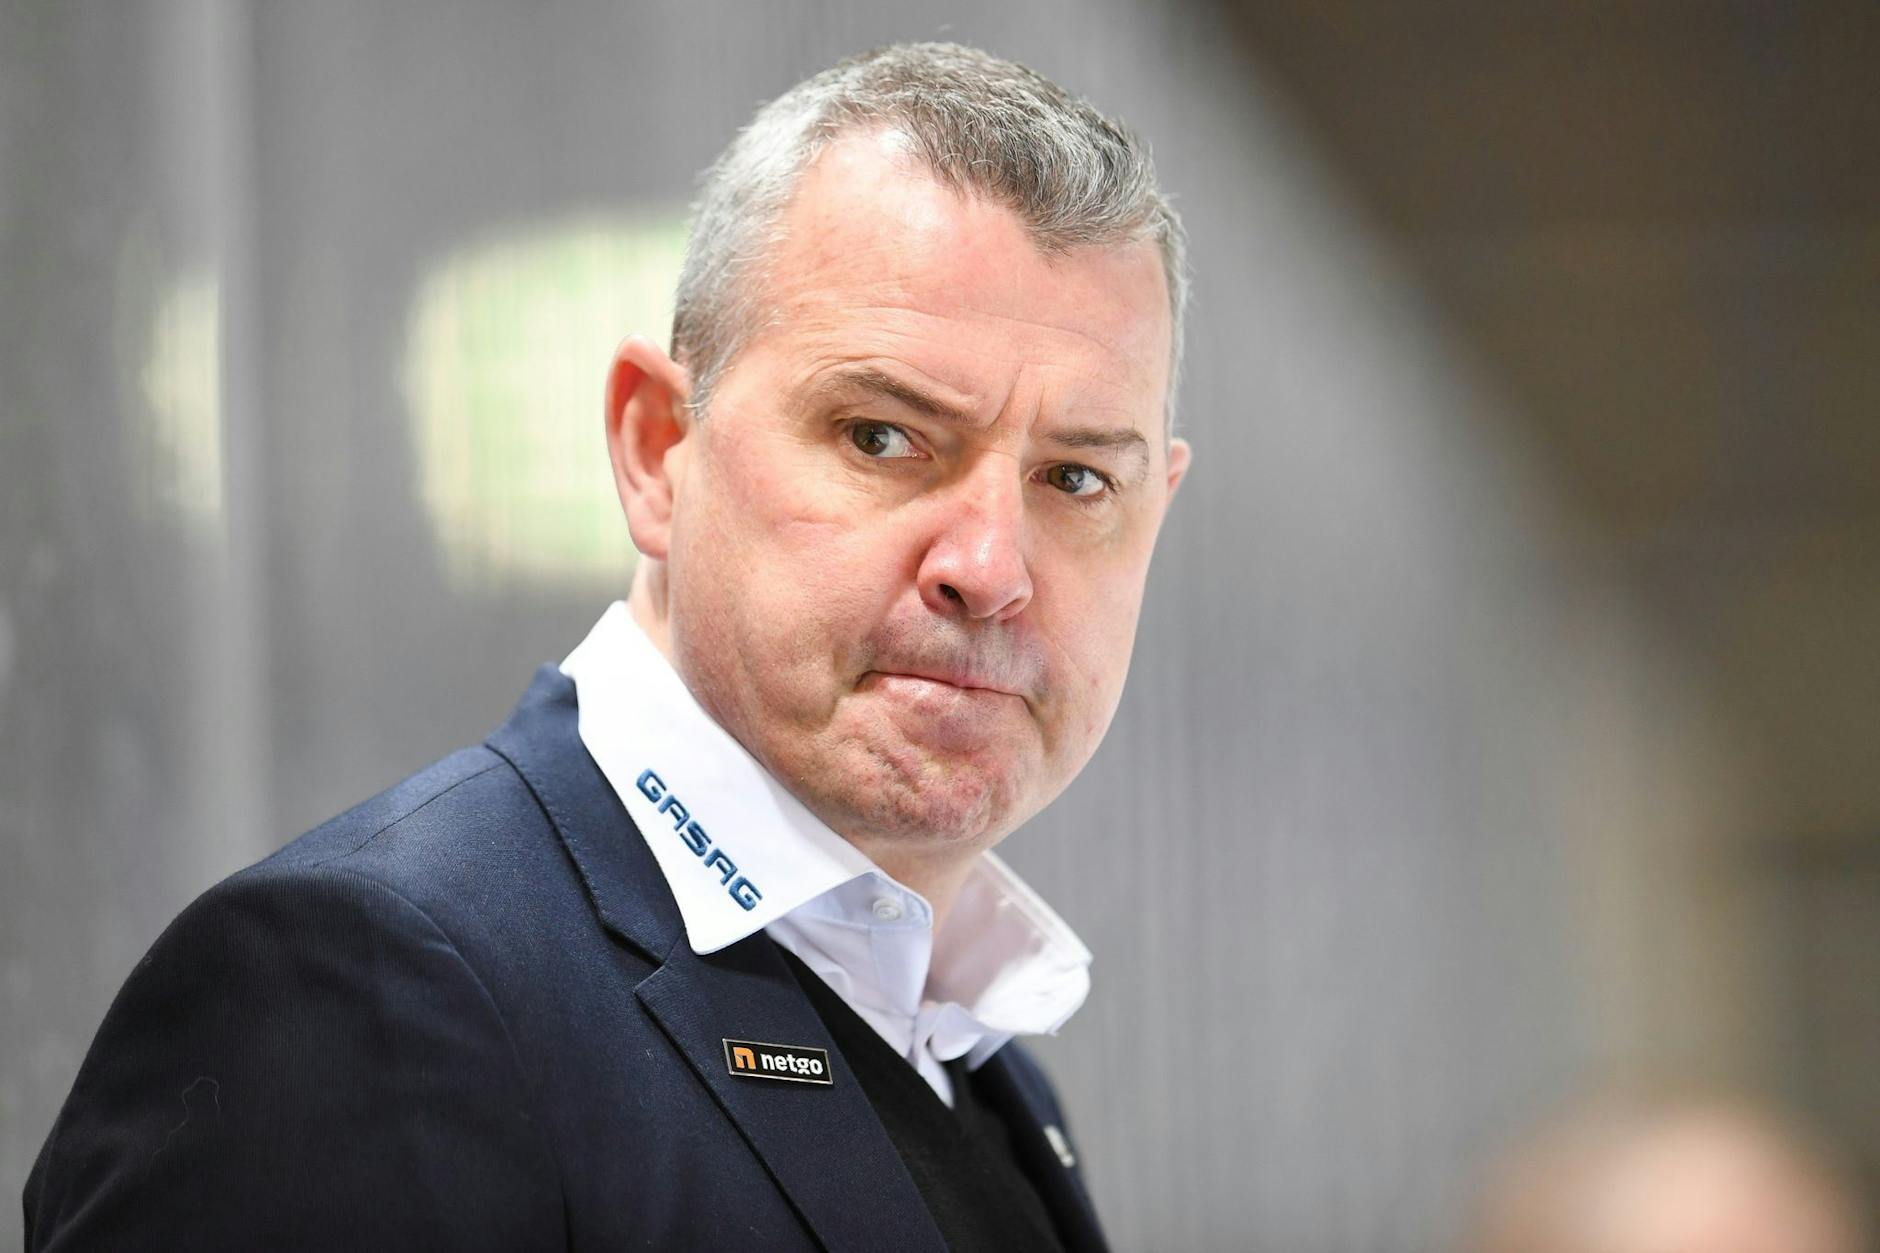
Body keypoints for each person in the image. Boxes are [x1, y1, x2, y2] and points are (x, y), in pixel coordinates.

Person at [24, 41, 1191, 1251]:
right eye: (881, 436)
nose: (990, 568)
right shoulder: (358, 997)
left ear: (1154, 507)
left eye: (1074, 477)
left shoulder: (968, 1059)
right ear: (654, 449)